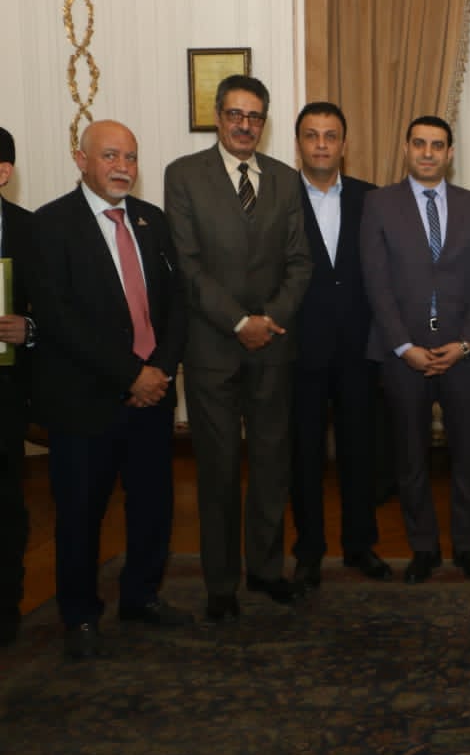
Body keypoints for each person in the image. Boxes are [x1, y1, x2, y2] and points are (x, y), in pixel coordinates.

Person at [29, 120, 190, 659]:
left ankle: (141, 596)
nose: (123, 167)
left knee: (153, 506)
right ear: (81, 160)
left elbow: (176, 304)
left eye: (131, 157)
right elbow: (58, 319)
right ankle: (79, 615)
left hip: (152, 396)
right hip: (86, 402)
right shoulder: (50, 225)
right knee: (80, 513)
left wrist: (160, 370)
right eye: (110, 155)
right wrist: (129, 375)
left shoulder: (152, 220)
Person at [164, 74, 312, 621]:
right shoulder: (183, 175)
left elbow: (299, 263)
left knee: (272, 466)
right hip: (212, 349)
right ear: (218, 117)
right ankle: (221, 584)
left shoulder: (285, 180)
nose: (245, 125)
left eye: (254, 117)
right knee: (219, 470)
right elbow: (188, 265)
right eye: (235, 114)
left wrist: (268, 319)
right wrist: (238, 321)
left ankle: (267, 571)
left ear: (264, 123)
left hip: (273, 346)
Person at [359, 116, 470, 585]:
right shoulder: (379, 204)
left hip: (464, 353)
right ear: (406, 148)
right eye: (419, 143)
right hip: (404, 353)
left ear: (450, 153)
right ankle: (423, 548)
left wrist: (466, 342)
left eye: (437, 145)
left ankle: (467, 547)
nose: (428, 152)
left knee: (469, 456)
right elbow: (375, 281)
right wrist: (403, 346)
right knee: (410, 457)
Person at [288, 102, 390, 590]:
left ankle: (359, 544)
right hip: (299, 348)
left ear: (344, 144)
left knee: (360, 451)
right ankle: (309, 550)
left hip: (359, 347)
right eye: (312, 135)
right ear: (299, 144)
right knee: (304, 455)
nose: (322, 144)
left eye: (331, 136)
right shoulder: (279, 198)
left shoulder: (373, 199)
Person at [0, 126, 34, 648]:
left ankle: (5, 607)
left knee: (5, 503)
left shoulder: (31, 231)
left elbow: (56, 306)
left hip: (5, 390)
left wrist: (30, 329)